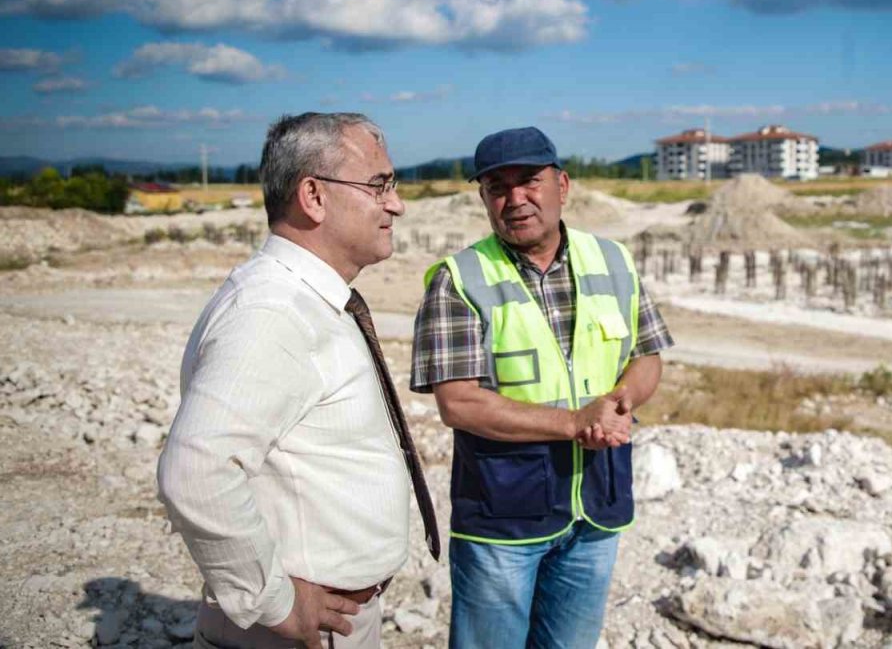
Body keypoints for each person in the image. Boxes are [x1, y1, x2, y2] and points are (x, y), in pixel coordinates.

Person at [158, 112, 439, 649]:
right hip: (298, 632)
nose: (396, 203)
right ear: (313, 196)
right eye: (378, 184)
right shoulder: (273, 312)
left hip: (331, 619)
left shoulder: (308, 300)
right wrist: (276, 602)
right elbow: (195, 470)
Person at [411, 126, 672, 649]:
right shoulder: (459, 279)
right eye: (497, 188)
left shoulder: (614, 260)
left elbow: (646, 356)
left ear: (562, 185)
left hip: (596, 506)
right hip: (503, 519)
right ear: (484, 198)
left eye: (529, 181)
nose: (515, 199)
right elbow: (458, 403)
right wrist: (575, 422)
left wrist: (619, 406)